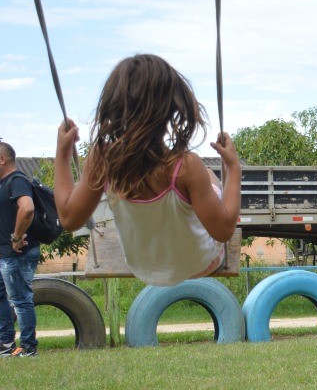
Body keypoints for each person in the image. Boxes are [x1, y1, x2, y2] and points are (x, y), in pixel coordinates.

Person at [52, 53, 240, 287]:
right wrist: (233, 168)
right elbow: (223, 231)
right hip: (200, 264)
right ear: (172, 108)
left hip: (144, 269)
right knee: (212, 179)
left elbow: (69, 219)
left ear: (113, 107)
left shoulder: (102, 160)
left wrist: (62, 154)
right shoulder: (187, 166)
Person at [0, 140, 40, 357]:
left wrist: (15, 237)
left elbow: (27, 208)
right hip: (5, 255)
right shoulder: (3, 185)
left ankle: (28, 346)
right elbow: (11, 210)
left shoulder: (17, 180)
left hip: (17, 253)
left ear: (2, 159)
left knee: (21, 299)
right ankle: (6, 344)